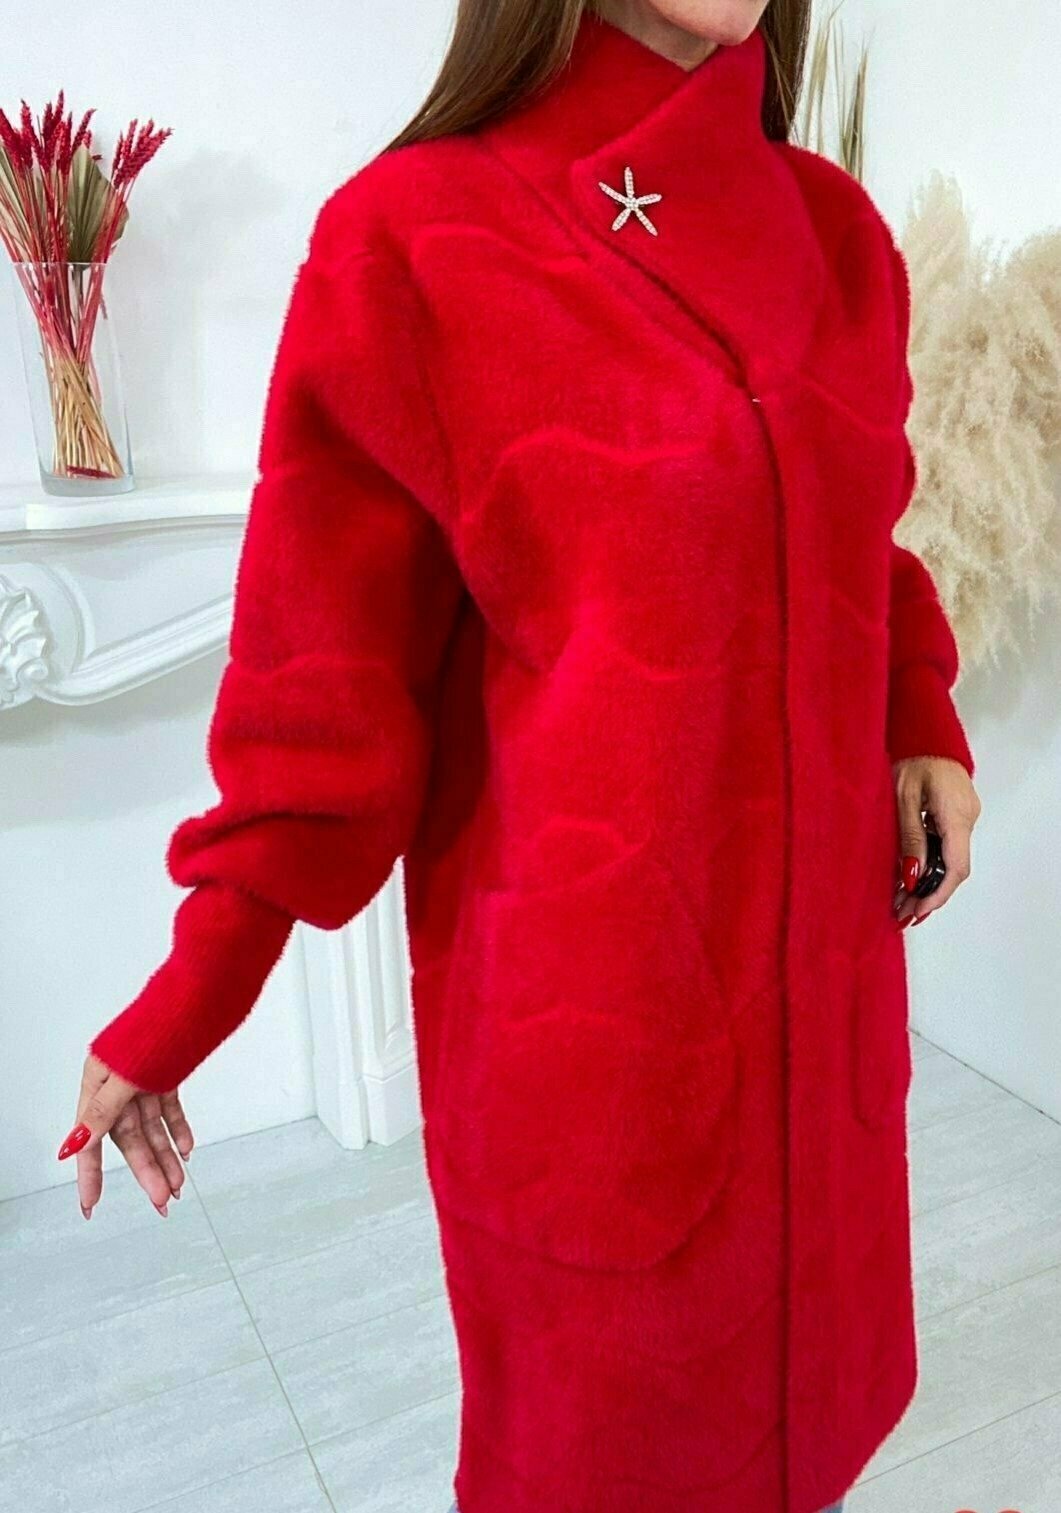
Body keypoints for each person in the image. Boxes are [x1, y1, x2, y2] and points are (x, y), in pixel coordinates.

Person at [59, 1, 982, 1509]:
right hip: (600, 1055)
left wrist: (916, 709)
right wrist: (194, 986)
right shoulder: (417, 239)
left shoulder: (834, 238)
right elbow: (323, 692)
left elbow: (854, 536)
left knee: (810, 1451)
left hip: (825, 1027)